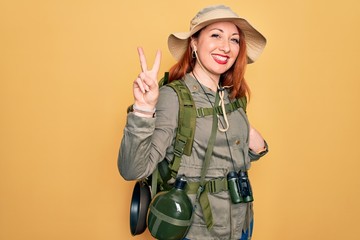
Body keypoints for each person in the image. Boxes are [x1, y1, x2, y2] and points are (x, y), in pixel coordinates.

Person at [118, 4, 268, 240]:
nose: (226, 47)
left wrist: (258, 147)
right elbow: (132, 169)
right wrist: (144, 109)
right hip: (196, 230)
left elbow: (227, 152)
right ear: (194, 43)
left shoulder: (231, 96)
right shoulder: (173, 97)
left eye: (234, 39)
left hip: (241, 226)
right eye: (216, 35)